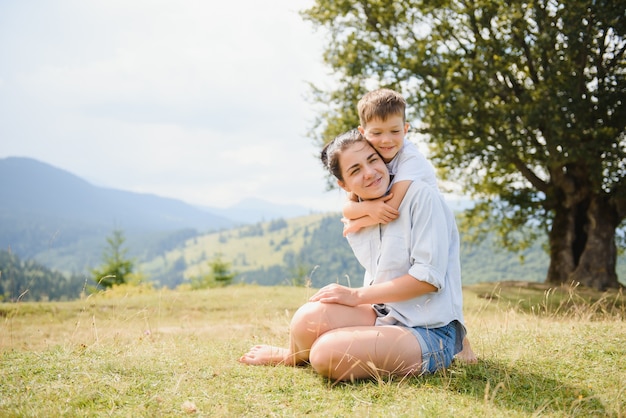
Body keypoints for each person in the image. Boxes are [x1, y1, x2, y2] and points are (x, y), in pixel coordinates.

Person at [239, 130, 472, 381]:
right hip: (385, 315)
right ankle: (292, 355)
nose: (370, 172)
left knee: (326, 354)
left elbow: (427, 279)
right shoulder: (360, 216)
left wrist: (355, 296)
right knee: (307, 319)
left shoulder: (421, 197)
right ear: (344, 184)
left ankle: (436, 353)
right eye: (355, 170)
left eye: (373, 160)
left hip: (430, 331)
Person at [342, 88, 438, 236]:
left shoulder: (411, 159)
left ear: (405, 129)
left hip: (428, 227)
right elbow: (347, 208)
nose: (386, 140)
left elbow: (390, 209)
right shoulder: (368, 156)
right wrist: (369, 208)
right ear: (362, 132)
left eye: (395, 131)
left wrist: (358, 222)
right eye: (377, 133)